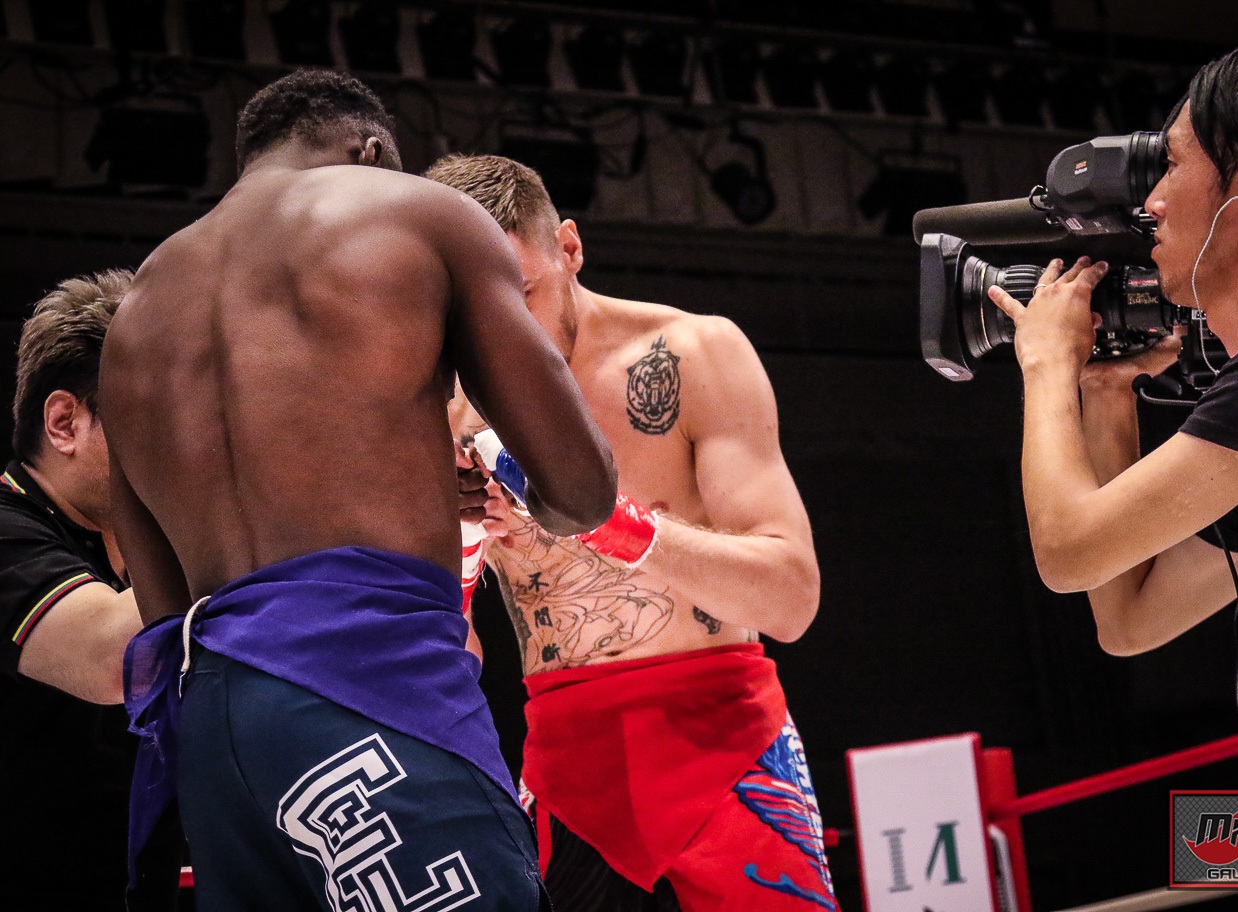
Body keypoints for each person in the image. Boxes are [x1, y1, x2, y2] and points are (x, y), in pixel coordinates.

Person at [99, 70, 617, 912]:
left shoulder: (135, 312)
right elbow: (581, 488)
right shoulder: (420, 213)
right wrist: (502, 473)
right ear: (371, 150)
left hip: (216, 733)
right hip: (370, 685)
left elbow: (159, 603)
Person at [426, 153, 835, 912]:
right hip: (566, 770)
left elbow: (790, 598)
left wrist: (609, 523)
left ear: (569, 248)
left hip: (727, 743)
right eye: (472, 309)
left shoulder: (691, 355)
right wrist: (461, 544)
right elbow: (449, 663)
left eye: (521, 294)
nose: (500, 331)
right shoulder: (443, 409)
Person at [986, 42, 1238, 702]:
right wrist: (1106, 389)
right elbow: (1130, 619)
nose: (1152, 204)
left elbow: (1068, 553)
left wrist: (1046, 361)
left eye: (1170, 166)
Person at [1, 270, 182, 911]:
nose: (182, 447)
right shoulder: (6, 528)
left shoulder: (136, 543)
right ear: (64, 422)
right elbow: (116, 660)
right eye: (155, 419)